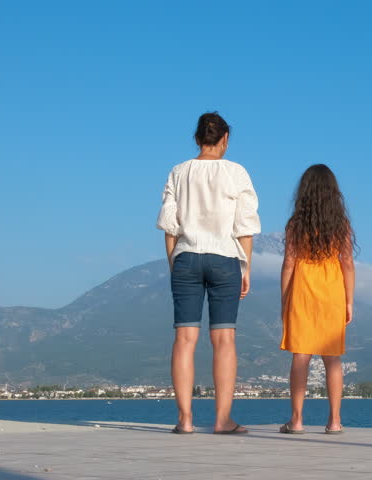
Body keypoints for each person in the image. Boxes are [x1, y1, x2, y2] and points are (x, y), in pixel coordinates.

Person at [156, 112, 260, 434]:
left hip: (186, 257)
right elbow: (245, 225)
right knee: (224, 339)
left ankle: (185, 420)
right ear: (225, 138)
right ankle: (222, 420)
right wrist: (246, 267)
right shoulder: (236, 172)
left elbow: (169, 226)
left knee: (184, 339)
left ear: (197, 138)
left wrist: (176, 263)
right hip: (226, 257)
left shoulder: (179, 171)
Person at [279, 164, 356, 434]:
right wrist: (349, 301)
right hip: (332, 291)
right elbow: (347, 263)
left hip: (302, 290)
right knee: (332, 358)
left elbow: (289, 263)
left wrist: (285, 299)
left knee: (301, 356)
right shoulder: (341, 225)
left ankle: (297, 420)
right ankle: (334, 421)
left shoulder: (295, 225)